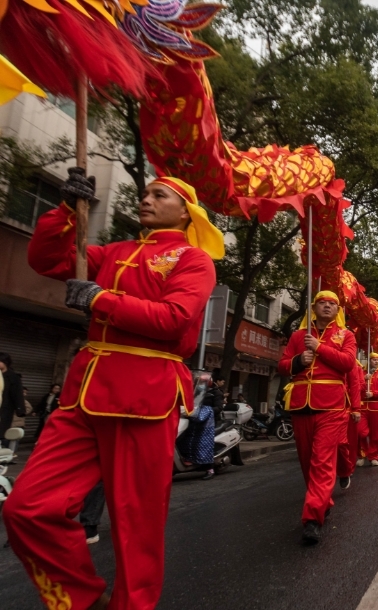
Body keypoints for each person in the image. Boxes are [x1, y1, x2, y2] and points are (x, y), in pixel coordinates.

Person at [3, 171, 221, 609]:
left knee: (136, 525)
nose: (146, 200)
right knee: (25, 507)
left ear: (186, 213)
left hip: (145, 397)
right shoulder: (114, 252)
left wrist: (99, 299)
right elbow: (47, 259)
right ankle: (80, 597)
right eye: (144, 193)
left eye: (159, 195)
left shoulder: (194, 260)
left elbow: (173, 318)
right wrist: (66, 210)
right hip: (84, 393)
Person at [278, 290, 357, 546]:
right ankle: (322, 501)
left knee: (322, 461)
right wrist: (299, 361)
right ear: (313, 307)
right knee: (306, 461)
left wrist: (320, 348)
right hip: (301, 403)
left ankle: (312, 519)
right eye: (322, 302)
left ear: (338, 310)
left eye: (332, 303)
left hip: (331, 406)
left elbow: (347, 364)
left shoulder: (346, 335)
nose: (326, 306)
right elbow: (282, 364)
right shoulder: (299, 336)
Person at [177, 372, 220, 480]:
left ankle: (210, 469)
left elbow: (218, 408)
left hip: (207, 423)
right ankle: (189, 459)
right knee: (185, 440)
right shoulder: (196, 392)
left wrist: (206, 411)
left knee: (203, 444)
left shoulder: (215, 393)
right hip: (193, 420)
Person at [336, 359, 365, 490]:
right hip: (326, 405)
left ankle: (347, 469)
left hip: (346, 407)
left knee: (345, 442)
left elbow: (356, 386)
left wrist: (355, 408)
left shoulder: (353, 364)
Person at [360, 353, 378, 466]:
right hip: (362, 406)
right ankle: (363, 454)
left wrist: (373, 394)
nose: (376, 362)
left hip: (376, 406)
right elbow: (356, 385)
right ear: (369, 360)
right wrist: (363, 379)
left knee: (375, 434)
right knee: (361, 432)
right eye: (373, 360)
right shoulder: (362, 372)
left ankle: (373, 456)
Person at [0, 353, 25, 448]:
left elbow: (17, 394)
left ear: (5, 362)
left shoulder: (13, 377)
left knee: (2, 431)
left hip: (5, 409)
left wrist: (20, 410)